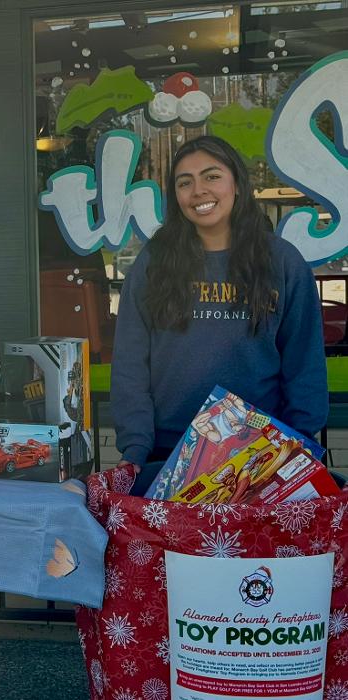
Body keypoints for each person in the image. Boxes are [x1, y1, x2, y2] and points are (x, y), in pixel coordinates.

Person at [110, 135, 327, 496]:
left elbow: (304, 365)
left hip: (259, 458)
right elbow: (131, 365)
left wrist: (298, 444)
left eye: (212, 176)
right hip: (168, 455)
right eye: (185, 182)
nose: (198, 191)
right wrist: (135, 448)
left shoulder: (282, 263)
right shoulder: (153, 264)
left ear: (237, 184)